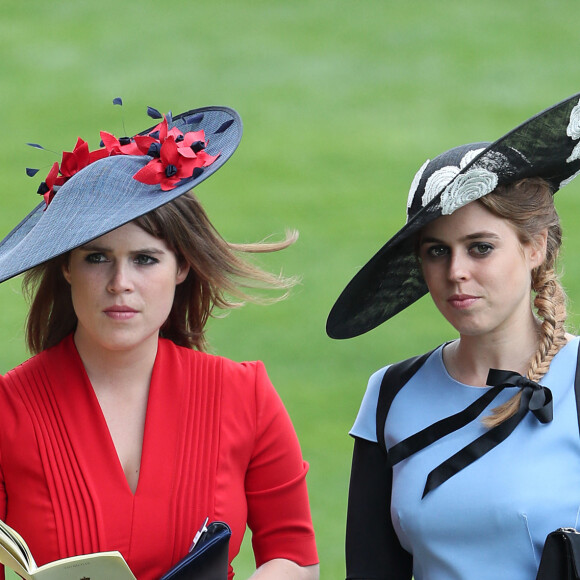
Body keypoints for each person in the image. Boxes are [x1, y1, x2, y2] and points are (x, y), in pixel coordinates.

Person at [0, 104, 319, 580]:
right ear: (66, 267)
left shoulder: (245, 395)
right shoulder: (8, 410)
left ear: (182, 266)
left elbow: (293, 556)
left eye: (146, 260)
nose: (120, 283)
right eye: (96, 258)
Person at [326, 92, 580, 580]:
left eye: (480, 248)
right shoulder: (389, 394)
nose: (456, 272)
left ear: (535, 247)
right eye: (437, 252)